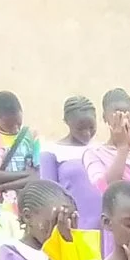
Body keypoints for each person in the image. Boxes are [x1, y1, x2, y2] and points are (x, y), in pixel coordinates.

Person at [42, 96, 106, 231]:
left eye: (91, 127)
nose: (87, 133)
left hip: (104, 227)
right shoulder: (53, 151)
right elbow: (48, 195)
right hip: (73, 228)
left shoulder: (101, 149)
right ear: (67, 122)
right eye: (80, 128)